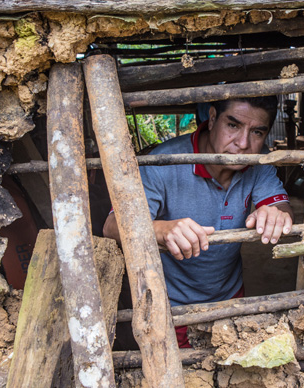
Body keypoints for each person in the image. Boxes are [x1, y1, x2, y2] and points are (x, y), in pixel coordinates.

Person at [103, 96, 293, 346]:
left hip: (230, 297)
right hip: (171, 305)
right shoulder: (163, 162)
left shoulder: (259, 160)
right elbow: (111, 226)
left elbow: (282, 207)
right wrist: (160, 228)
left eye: (257, 132)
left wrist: (275, 213)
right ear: (212, 118)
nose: (243, 143)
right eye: (233, 126)